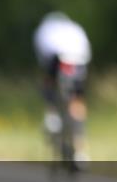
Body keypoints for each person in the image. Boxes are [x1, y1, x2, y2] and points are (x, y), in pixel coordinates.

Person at [33, 11, 92, 166]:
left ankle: (51, 114)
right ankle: (80, 151)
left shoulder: (44, 29)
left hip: (56, 58)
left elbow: (43, 59)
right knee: (77, 101)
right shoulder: (75, 28)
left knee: (48, 83)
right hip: (78, 61)